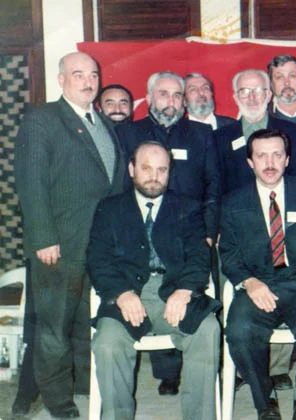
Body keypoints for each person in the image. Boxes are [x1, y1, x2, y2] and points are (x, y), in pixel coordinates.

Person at [14, 51, 126, 418]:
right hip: (59, 245)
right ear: (61, 79)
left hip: (98, 246)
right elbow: (30, 182)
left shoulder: (102, 121)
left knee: (84, 324)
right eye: (78, 74)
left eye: (93, 74)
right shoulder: (43, 119)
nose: (88, 81)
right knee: (53, 329)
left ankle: (82, 388)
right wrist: (43, 237)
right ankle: (59, 404)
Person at [219, 129, 296, 420]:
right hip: (259, 285)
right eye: (261, 155)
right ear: (250, 162)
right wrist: (249, 282)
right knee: (239, 331)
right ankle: (265, 404)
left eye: (277, 154)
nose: (270, 163)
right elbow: (228, 252)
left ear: (287, 159)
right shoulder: (233, 201)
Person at [88, 141, 221, 420]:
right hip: (127, 296)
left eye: (162, 170)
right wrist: (121, 293)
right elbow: (97, 259)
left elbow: (200, 256)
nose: (154, 176)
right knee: (107, 343)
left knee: (208, 330)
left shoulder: (187, 207)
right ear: (131, 169)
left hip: (173, 293)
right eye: (146, 168)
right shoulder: (110, 208)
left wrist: (185, 290)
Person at [116, 70, 220, 395]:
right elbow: (121, 185)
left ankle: (197, 366)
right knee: (154, 290)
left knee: (187, 295)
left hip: (191, 232)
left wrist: (209, 231)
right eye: (163, 94)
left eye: (177, 95)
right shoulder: (129, 133)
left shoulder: (201, 134)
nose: (171, 101)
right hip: (144, 232)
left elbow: (213, 186)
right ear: (149, 97)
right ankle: (167, 372)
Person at [268, 55, 296, 126]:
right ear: (271, 83)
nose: (287, 83)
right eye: (279, 77)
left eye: (292, 76)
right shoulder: (263, 115)